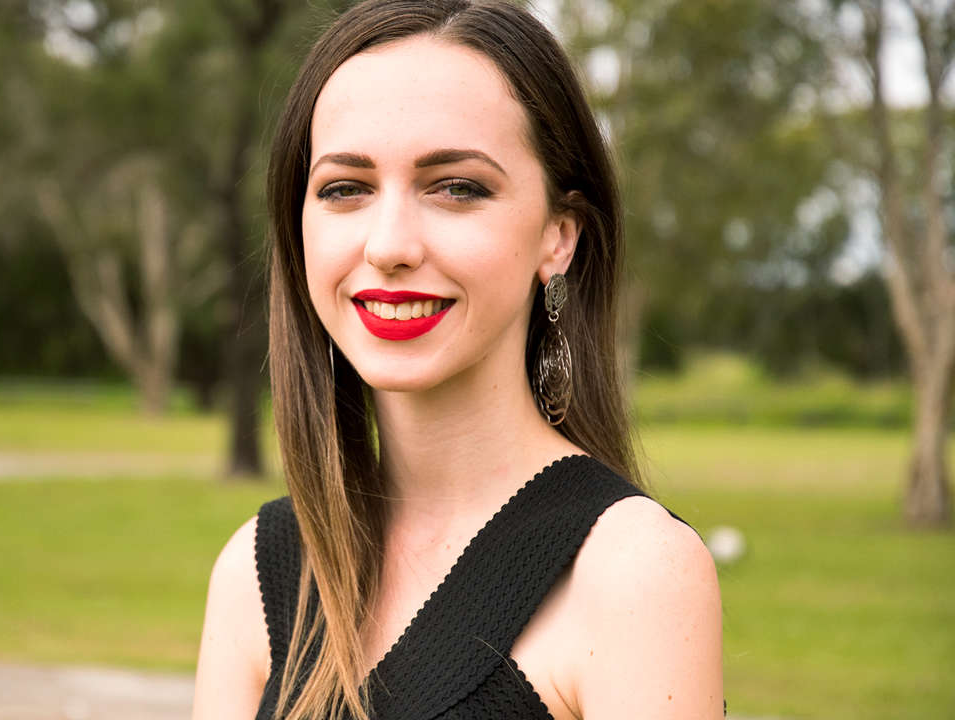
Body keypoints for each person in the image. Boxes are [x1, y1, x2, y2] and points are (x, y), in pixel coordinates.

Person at [192, 1, 724, 718]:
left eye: (456, 187)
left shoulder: (632, 572)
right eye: (345, 188)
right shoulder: (258, 571)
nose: (389, 245)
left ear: (559, 235)